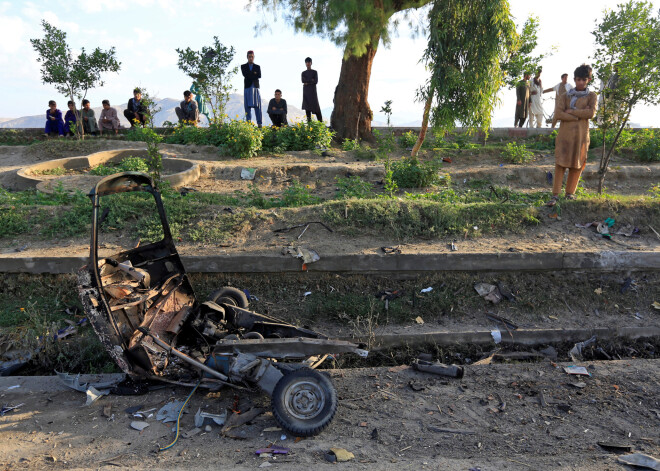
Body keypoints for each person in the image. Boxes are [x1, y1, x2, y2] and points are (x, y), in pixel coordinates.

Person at [546, 64, 597, 207]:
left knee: (577, 165)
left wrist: (571, 111)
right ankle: (555, 195)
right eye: (578, 79)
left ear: (589, 80)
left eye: (584, 80)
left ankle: (570, 194)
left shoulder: (592, 96)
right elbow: (558, 114)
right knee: (560, 164)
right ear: (574, 80)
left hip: (581, 137)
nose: (581, 82)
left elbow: (591, 113)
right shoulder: (565, 96)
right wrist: (578, 116)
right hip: (565, 137)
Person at [241, 50, 262, 127]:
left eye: (252, 57)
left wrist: (251, 74)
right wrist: (254, 73)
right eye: (249, 57)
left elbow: (259, 75)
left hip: (255, 87)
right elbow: (245, 75)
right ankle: (248, 124)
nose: (251, 58)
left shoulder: (257, 67)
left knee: (257, 106)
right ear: (247, 57)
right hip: (247, 87)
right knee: (247, 106)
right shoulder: (243, 66)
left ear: (254, 57)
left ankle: (259, 123)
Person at [301, 57, 322, 123]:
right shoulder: (303, 73)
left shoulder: (314, 72)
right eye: (307, 62)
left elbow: (315, 81)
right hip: (306, 92)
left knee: (316, 107)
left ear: (311, 63)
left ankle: (320, 123)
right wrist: (311, 81)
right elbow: (303, 81)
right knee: (307, 108)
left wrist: (308, 82)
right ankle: (309, 125)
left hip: (313, 92)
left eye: (309, 62)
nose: (308, 63)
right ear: (305, 63)